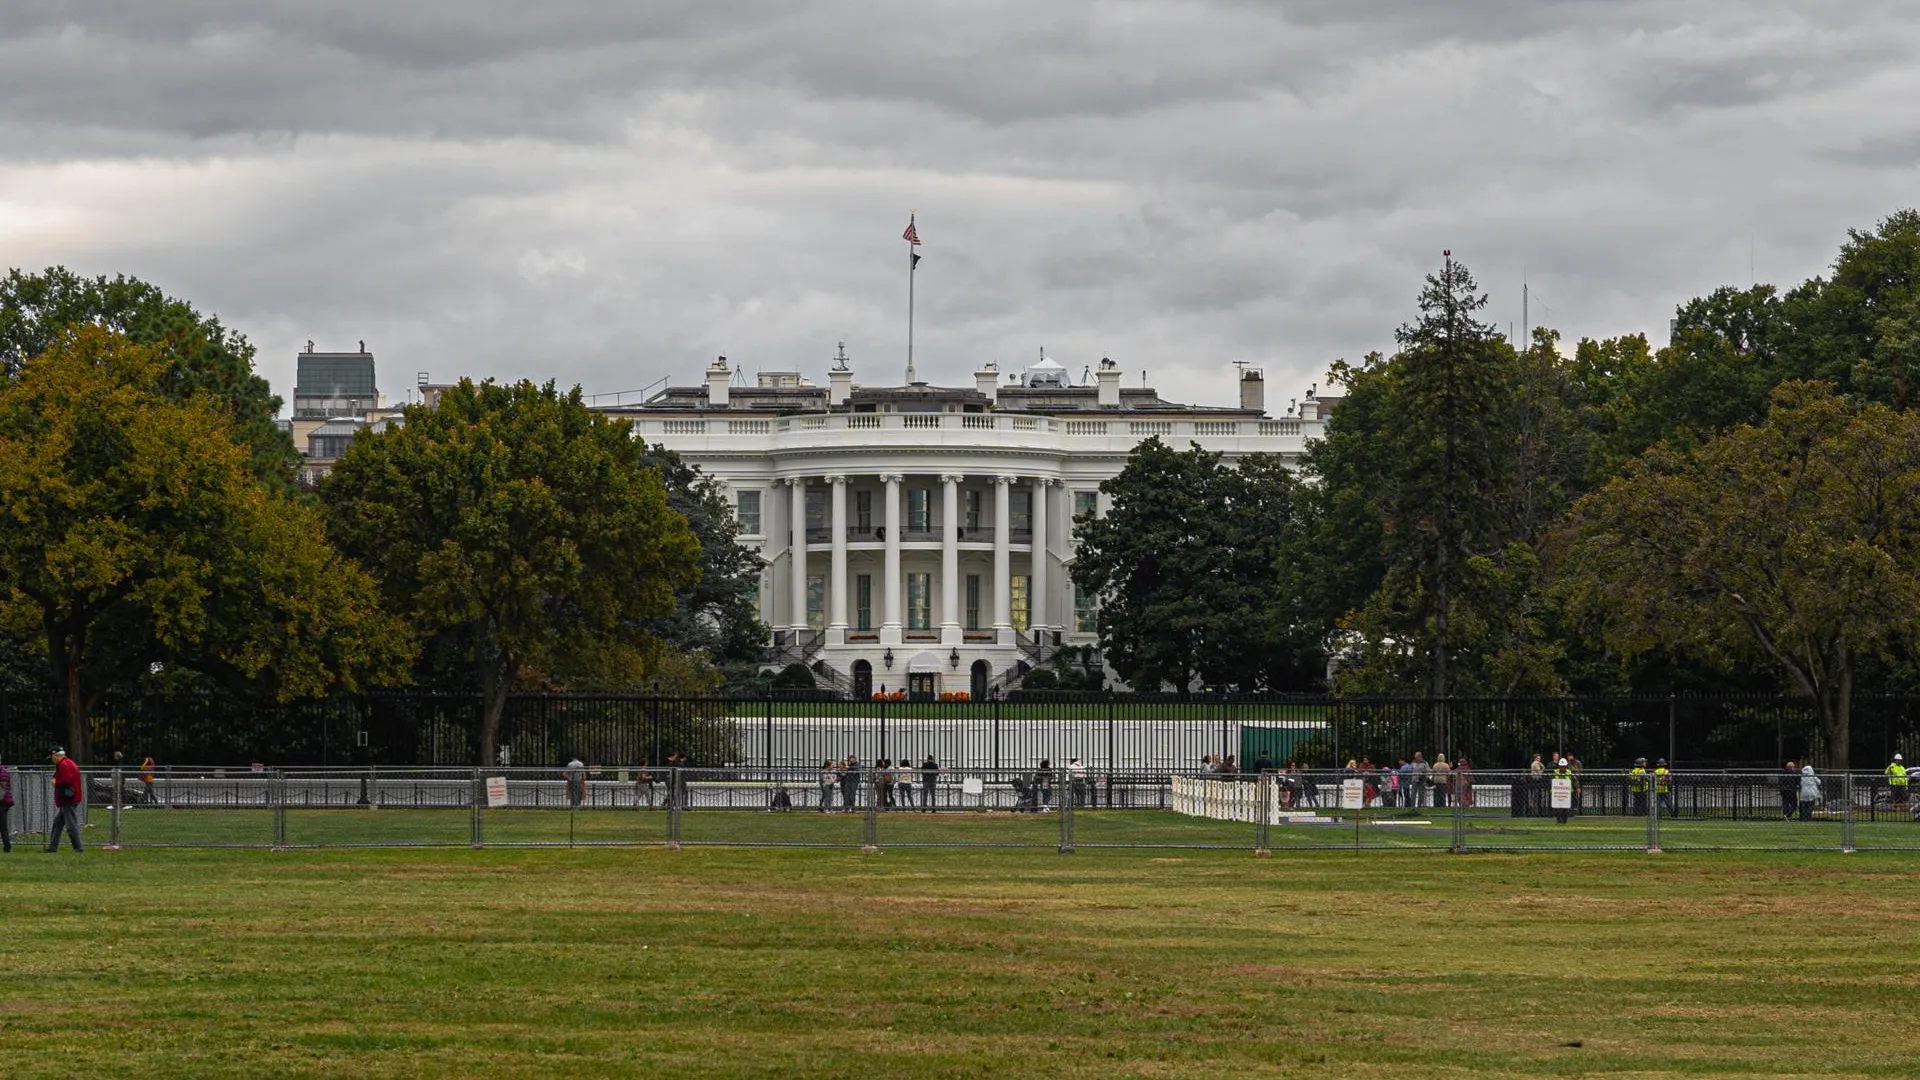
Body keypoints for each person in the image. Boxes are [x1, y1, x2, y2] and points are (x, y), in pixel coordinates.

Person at [46, 747, 83, 852]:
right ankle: (52, 846)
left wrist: (56, 783)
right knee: (57, 823)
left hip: (68, 799)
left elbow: (67, 780)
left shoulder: (63, 764)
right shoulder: (67, 763)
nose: (52, 760)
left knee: (71, 825)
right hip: (68, 799)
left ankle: (78, 847)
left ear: (55, 755)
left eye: (52, 757)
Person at [1552, 757, 1574, 825]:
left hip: (1567, 793)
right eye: (1561, 766)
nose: (1562, 768)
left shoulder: (1569, 772)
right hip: (1557, 792)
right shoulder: (1556, 772)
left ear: (1566, 766)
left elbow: (1575, 779)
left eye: (1563, 766)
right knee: (1557, 808)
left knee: (1566, 808)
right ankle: (1559, 820)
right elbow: (1551, 781)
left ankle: (1564, 821)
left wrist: (1578, 787)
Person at [0, 756, 13, 852]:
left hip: (3, 802)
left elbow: (3, 789)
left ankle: (7, 846)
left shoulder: (3, 772)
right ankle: (7, 846)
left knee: (3, 825)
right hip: (3, 801)